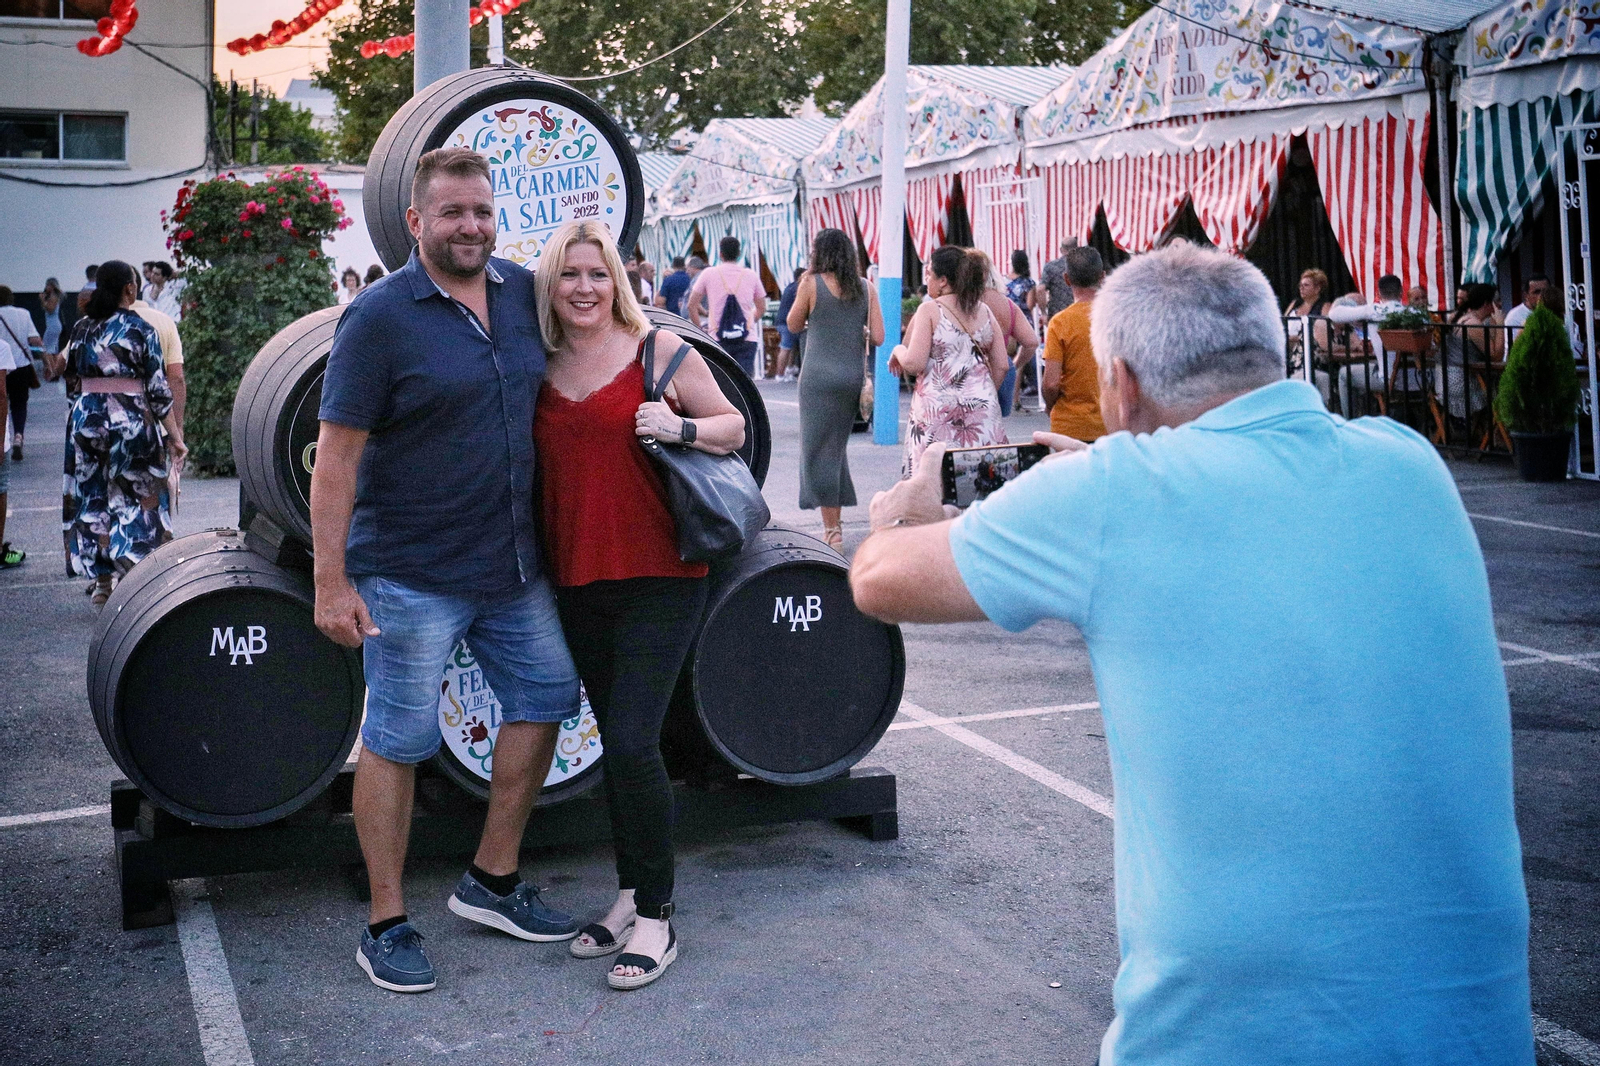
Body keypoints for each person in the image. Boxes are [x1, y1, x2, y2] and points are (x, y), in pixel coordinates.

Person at [851, 239, 1534, 1066]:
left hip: (1232, 1037)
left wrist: (904, 504)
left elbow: (877, 581)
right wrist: (1099, 474)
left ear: (1124, 384)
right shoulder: (1409, 462)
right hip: (1474, 1035)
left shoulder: (1109, 496)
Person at [310, 147, 582, 995]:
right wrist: (330, 581)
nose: (471, 226)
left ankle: (491, 879)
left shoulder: (520, 292)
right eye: (453, 212)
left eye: (483, 211)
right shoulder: (379, 317)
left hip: (511, 566)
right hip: (410, 572)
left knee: (548, 696)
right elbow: (336, 459)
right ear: (416, 222)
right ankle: (385, 923)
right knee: (397, 741)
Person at [533, 220, 745, 990]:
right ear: (550, 284)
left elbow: (733, 426)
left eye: (597, 273)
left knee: (630, 742)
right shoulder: (540, 362)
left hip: (661, 576)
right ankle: (628, 894)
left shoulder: (657, 350)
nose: (585, 287)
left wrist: (679, 424)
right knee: (615, 745)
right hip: (578, 579)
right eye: (570, 274)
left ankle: (657, 915)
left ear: (616, 280)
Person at [47, 262, 185, 606]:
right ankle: (131, 576)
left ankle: (101, 583)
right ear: (130, 289)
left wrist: (80, 413)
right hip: (131, 420)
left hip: (87, 418)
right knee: (136, 496)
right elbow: (158, 390)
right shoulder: (141, 328)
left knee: (92, 496)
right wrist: (175, 436)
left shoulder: (82, 327)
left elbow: (69, 375)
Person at [787, 229, 886, 549]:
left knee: (817, 453)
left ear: (819, 253)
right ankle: (835, 525)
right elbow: (879, 337)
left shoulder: (810, 283)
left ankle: (832, 532)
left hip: (817, 380)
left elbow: (792, 324)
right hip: (850, 379)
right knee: (834, 451)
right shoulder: (866, 287)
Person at [891, 245, 1008, 478]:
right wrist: (980, 392)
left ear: (943, 281)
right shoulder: (983, 310)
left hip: (937, 412)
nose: (926, 279)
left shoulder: (930, 310)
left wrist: (897, 350)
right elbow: (1002, 364)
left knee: (934, 481)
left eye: (929, 274)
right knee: (981, 479)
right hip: (982, 409)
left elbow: (914, 363)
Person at [1040, 247, 1107, 443]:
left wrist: (1050, 405)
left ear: (1067, 279)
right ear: (1103, 277)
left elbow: (1051, 383)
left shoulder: (1060, 323)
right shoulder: (1117, 318)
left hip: (1070, 426)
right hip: (1110, 424)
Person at [969, 249, 1038, 417]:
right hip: (1003, 370)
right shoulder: (1008, 304)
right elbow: (1031, 342)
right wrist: (1015, 364)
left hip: (972, 376)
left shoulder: (967, 302)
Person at [686, 238, 766, 377]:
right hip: (746, 338)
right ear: (739, 253)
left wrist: (700, 329)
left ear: (720, 254)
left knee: (721, 383)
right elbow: (761, 308)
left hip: (717, 337)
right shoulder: (750, 275)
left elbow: (691, 305)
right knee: (744, 384)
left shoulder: (708, 274)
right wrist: (748, 321)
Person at [130, 288, 187, 439]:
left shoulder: (90, 324)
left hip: (98, 423)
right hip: (154, 424)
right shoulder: (163, 322)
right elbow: (176, 378)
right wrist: (177, 429)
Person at [0, 286, 43, 462]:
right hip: (20, 365)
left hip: (1, 367)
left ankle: (3, 440)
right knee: (19, 404)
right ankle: (18, 436)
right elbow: (35, 339)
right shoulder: (23, 314)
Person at [774, 266, 806, 381]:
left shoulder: (789, 287)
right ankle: (780, 375)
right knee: (786, 347)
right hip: (786, 322)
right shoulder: (798, 288)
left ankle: (789, 370)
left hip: (781, 321)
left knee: (791, 346)